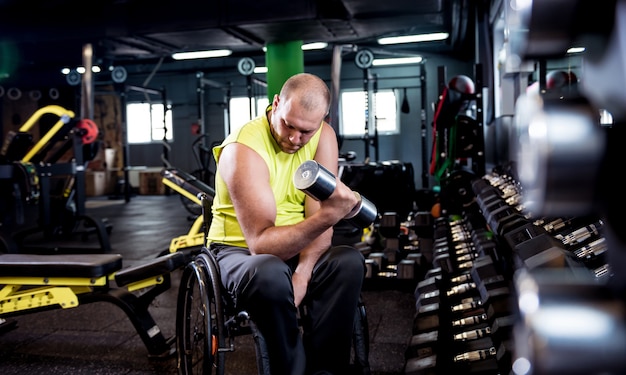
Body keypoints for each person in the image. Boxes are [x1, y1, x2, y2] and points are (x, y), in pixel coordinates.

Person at [206, 72, 366, 375]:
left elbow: (316, 215)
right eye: (288, 125)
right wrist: (330, 215)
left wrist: (304, 272)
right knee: (269, 271)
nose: (294, 138)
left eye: (305, 131)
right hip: (237, 250)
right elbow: (262, 244)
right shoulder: (244, 148)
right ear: (276, 103)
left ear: (322, 120)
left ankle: (325, 370)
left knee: (348, 262)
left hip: (298, 246)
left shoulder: (324, 137)